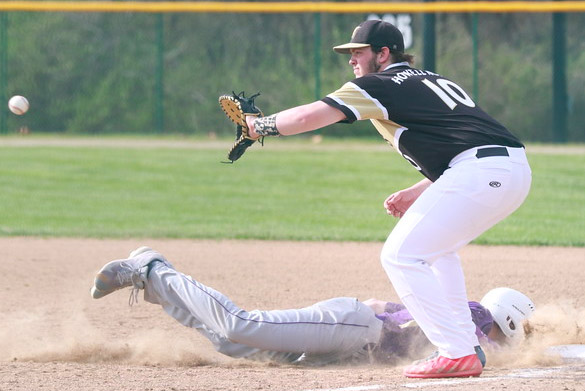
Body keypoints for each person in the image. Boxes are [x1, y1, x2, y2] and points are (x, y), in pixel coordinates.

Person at [243, 19, 532, 378]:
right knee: (438, 252)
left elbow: (308, 116)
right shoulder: (433, 79)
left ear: (383, 54)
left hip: (479, 172)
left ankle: (456, 351)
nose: (351, 60)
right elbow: (464, 145)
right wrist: (418, 191)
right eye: (349, 54)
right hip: (512, 169)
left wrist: (261, 126)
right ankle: (464, 343)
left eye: (358, 52)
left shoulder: (377, 84)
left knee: (401, 256)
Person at [90, 246, 535, 368]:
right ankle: (154, 268)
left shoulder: (461, 317)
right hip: (355, 328)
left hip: (348, 345)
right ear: (506, 321)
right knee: (242, 325)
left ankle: (157, 286)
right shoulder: (474, 315)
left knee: (229, 342)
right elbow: (477, 348)